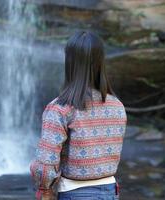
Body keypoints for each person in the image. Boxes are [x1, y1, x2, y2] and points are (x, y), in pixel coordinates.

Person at [30, 30, 127, 200]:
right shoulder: (117, 106)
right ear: (100, 62)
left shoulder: (60, 108)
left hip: (75, 193)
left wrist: (44, 189)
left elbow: (45, 166)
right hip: (110, 192)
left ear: (70, 62)